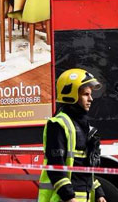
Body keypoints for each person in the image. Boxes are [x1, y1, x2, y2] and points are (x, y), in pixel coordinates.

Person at [38, 68, 106, 202]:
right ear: (72, 94)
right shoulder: (57, 124)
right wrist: (68, 197)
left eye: (90, 94)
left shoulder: (84, 125)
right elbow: (56, 165)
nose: (91, 99)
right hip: (62, 199)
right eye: (86, 94)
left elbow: (85, 166)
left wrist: (99, 193)